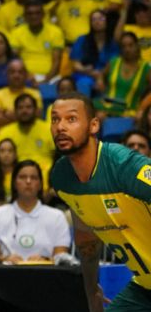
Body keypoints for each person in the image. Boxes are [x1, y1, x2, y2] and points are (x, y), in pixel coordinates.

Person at [50, 92, 151, 311]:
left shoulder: (124, 166)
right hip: (145, 287)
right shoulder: (62, 178)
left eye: (71, 119)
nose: (60, 127)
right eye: (55, 119)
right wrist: (92, 291)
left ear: (94, 125)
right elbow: (86, 241)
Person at [0, 160, 69, 264]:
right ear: (14, 183)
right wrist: (5, 259)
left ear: (40, 184)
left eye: (34, 178)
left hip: (46, 275)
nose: (28, 181)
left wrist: (45, 261)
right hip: (6, 274)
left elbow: (61, 257)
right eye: (22, 177)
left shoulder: (57, 217)